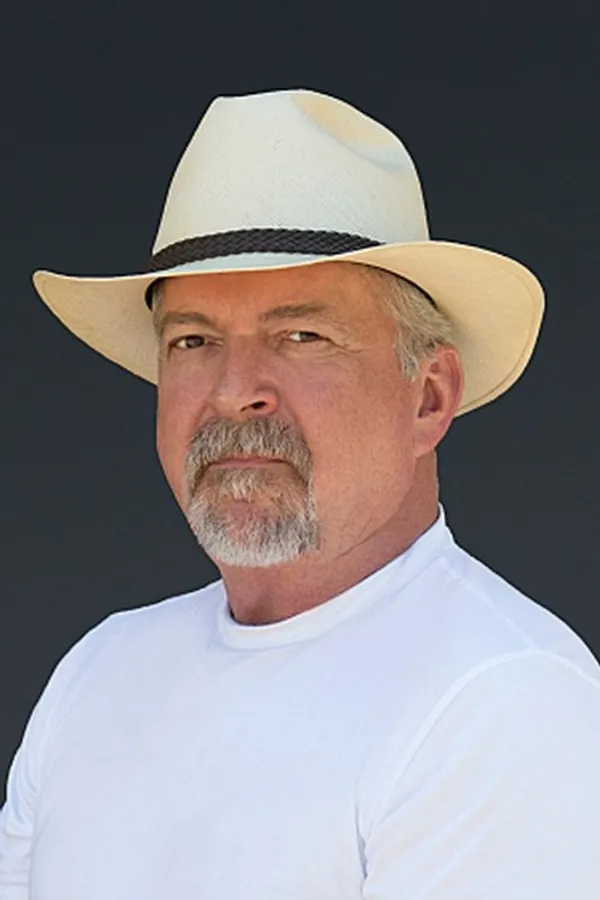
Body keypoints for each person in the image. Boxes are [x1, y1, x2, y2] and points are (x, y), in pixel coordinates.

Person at [1, 89, 599, 899]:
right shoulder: (100, 673)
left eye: (300, 335)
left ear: (428, 397)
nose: (234, 390)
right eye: (193, 340)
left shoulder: (502, 699)